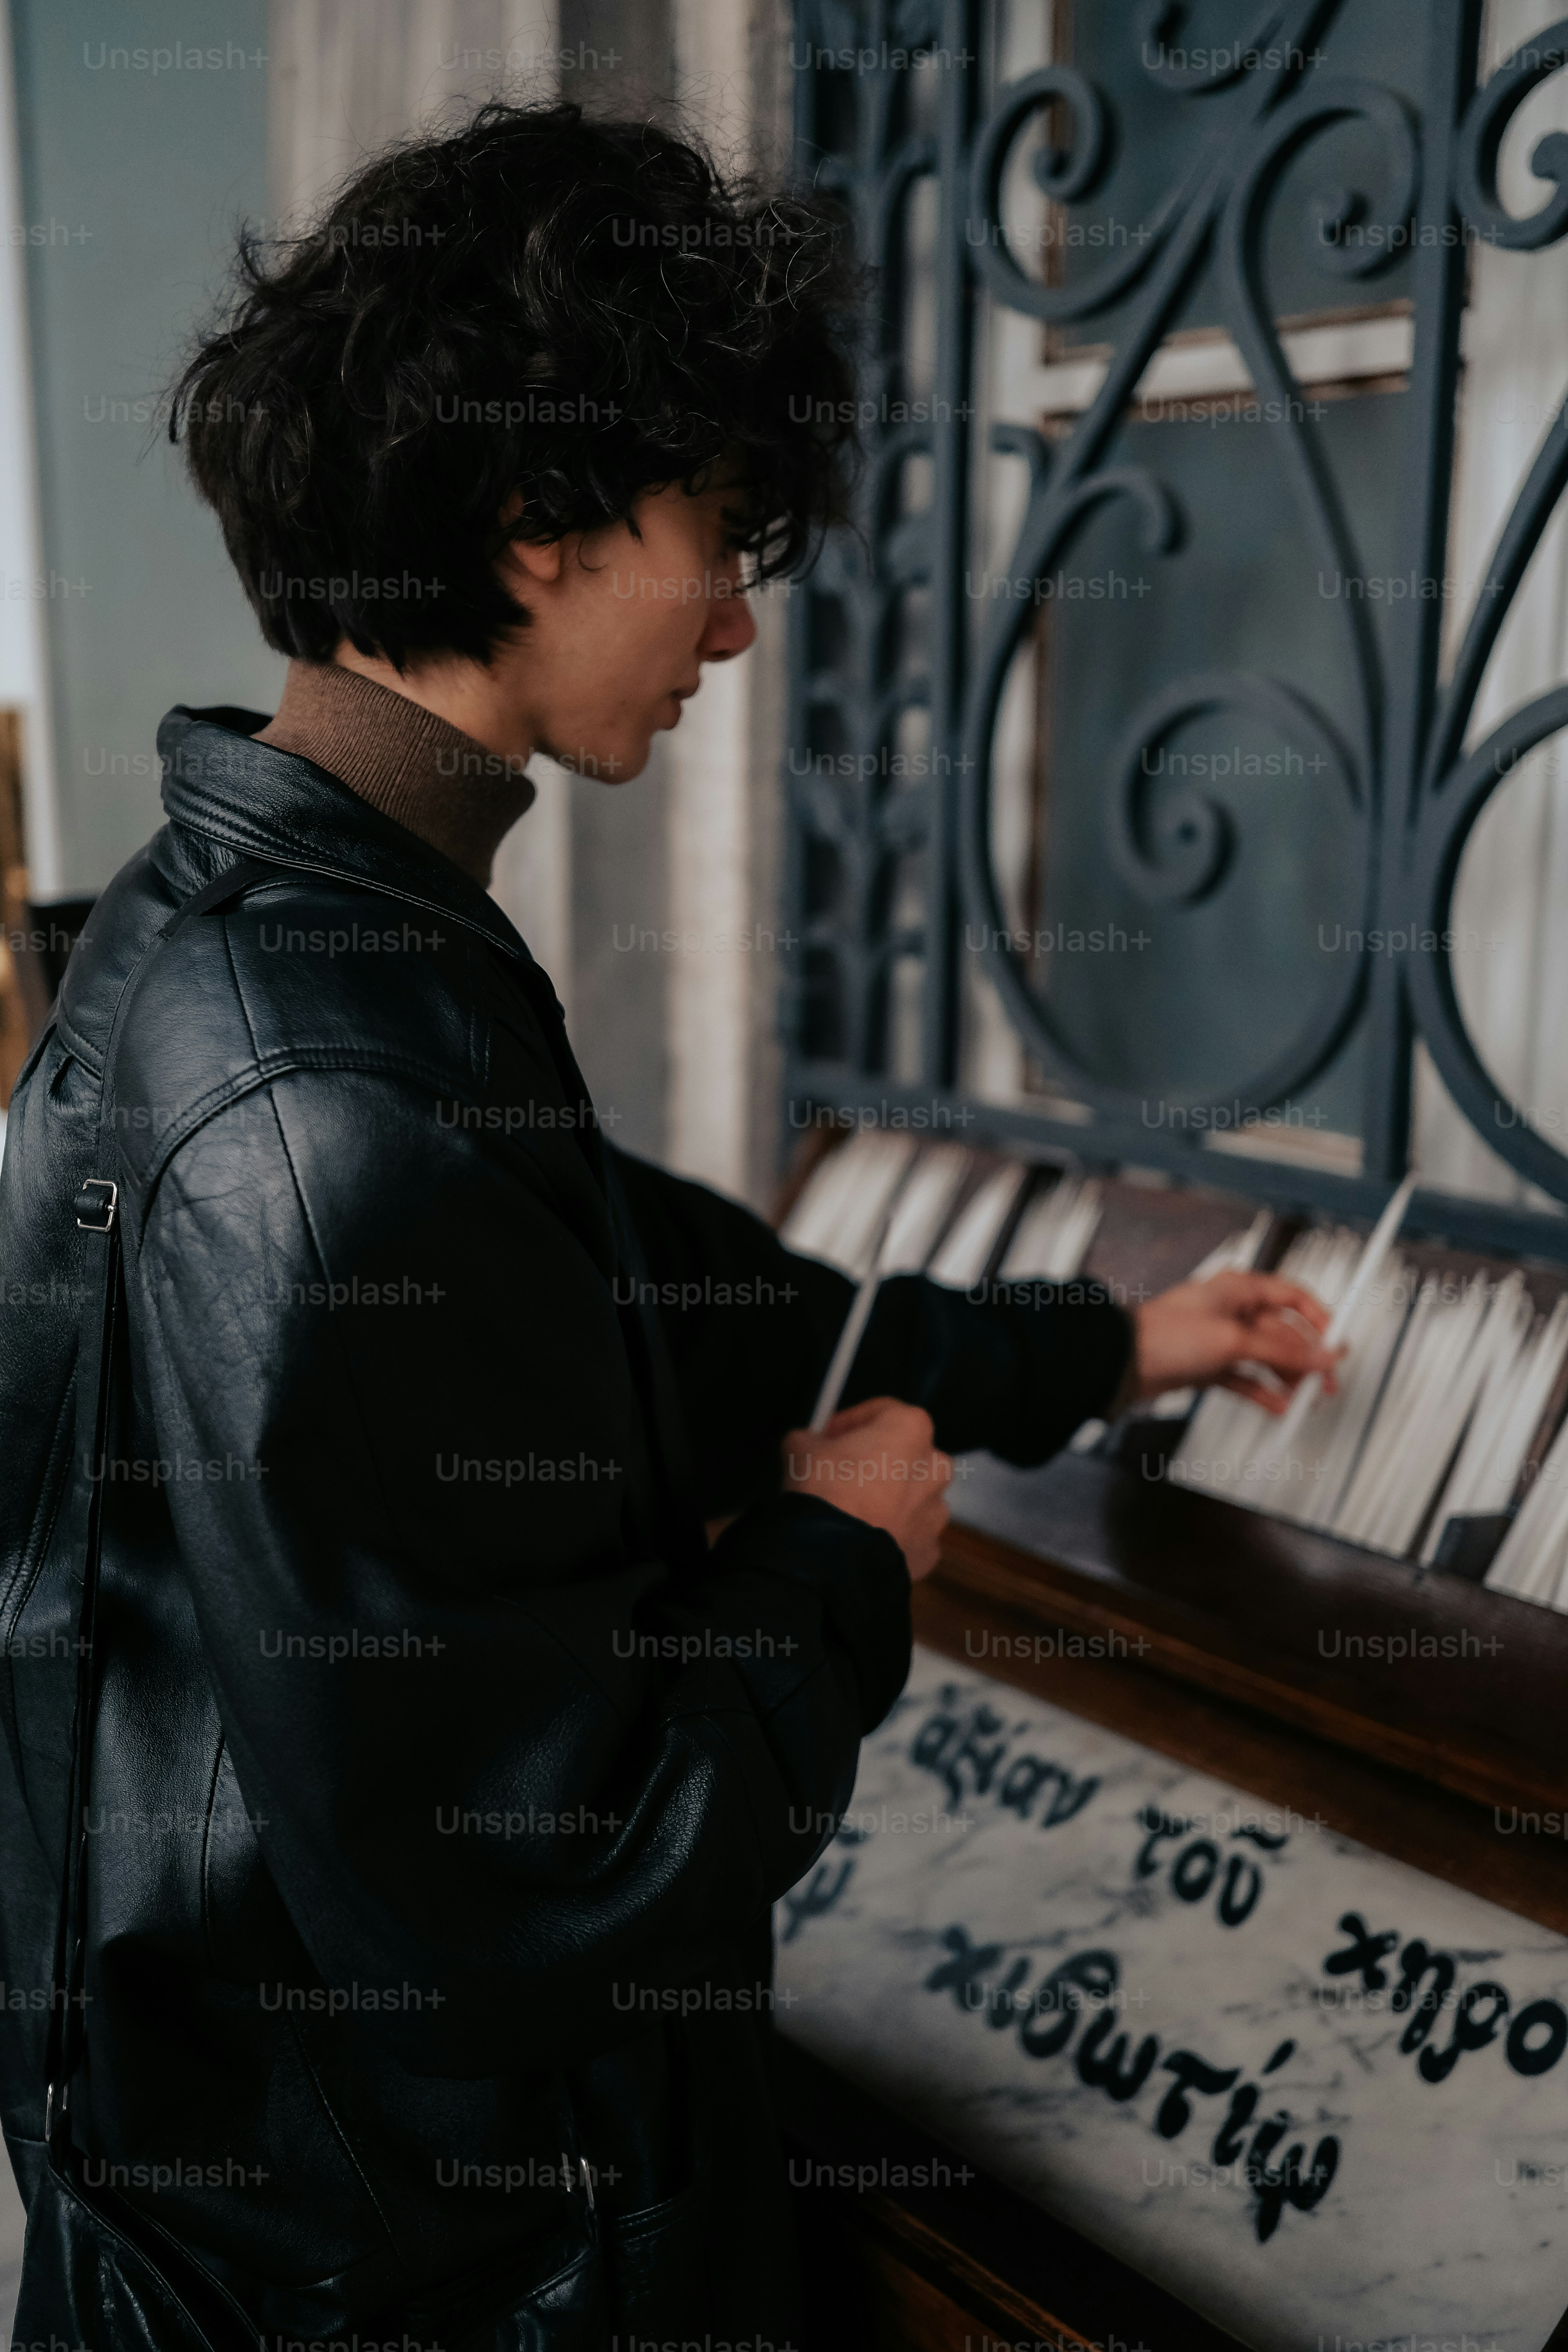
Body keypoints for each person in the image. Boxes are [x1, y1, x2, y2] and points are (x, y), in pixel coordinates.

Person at [0, 101, 1337, 2351]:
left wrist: (1106, 1354)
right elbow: (556, 1890)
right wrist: (832, 1565)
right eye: (714, 537)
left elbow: (671, 1301)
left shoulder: (267, 913)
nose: (733, 620)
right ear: (533, 523)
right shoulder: (334, 1100)